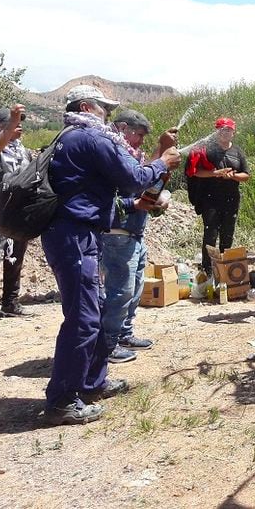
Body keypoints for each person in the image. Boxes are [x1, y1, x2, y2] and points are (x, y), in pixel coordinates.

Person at [42, 85, 180, 425]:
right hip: (74, 235)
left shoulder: (71, 137)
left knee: (95, 310)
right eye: (105, 108)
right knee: (84, 318)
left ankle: (91, 383)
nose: (109, 115)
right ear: (87, 106)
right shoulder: (89, 137)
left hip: (78, 234)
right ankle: (62, 400)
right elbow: (133, 178)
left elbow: (105, 191)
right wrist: (162, 161)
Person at [100, 110, 175, 364]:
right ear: (122, 128)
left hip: (134, 234)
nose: (140, 141)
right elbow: (106, 201)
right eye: (139, 135)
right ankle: (107, 345)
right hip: (116, 234)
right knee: (119, 292)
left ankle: (123, 334)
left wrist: (154, 199)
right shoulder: (111, 154)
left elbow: (145, 177)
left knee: (133, 290)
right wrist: (135, 205)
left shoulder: (130, 156)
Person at [0, 105, 33, 318]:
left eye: (20, 122)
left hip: (17, 213)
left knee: (14, 258)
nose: (19, 125)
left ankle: (10, 303)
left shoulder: (22, 150)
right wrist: (10, 125)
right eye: (14, 121)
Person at [185, 117, 250, 276]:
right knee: (210, 234)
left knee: (228, 234)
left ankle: (225, 269)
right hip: (210, 198)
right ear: (216, 131)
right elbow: (195, 172)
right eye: (222, 130)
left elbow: (246, 175)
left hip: (232, 198)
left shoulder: (238, 152)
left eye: (229, 130)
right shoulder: (206, 149)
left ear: (233, 133)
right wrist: (215, 173)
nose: (226, 133)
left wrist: (233, 176)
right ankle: (207, 270)